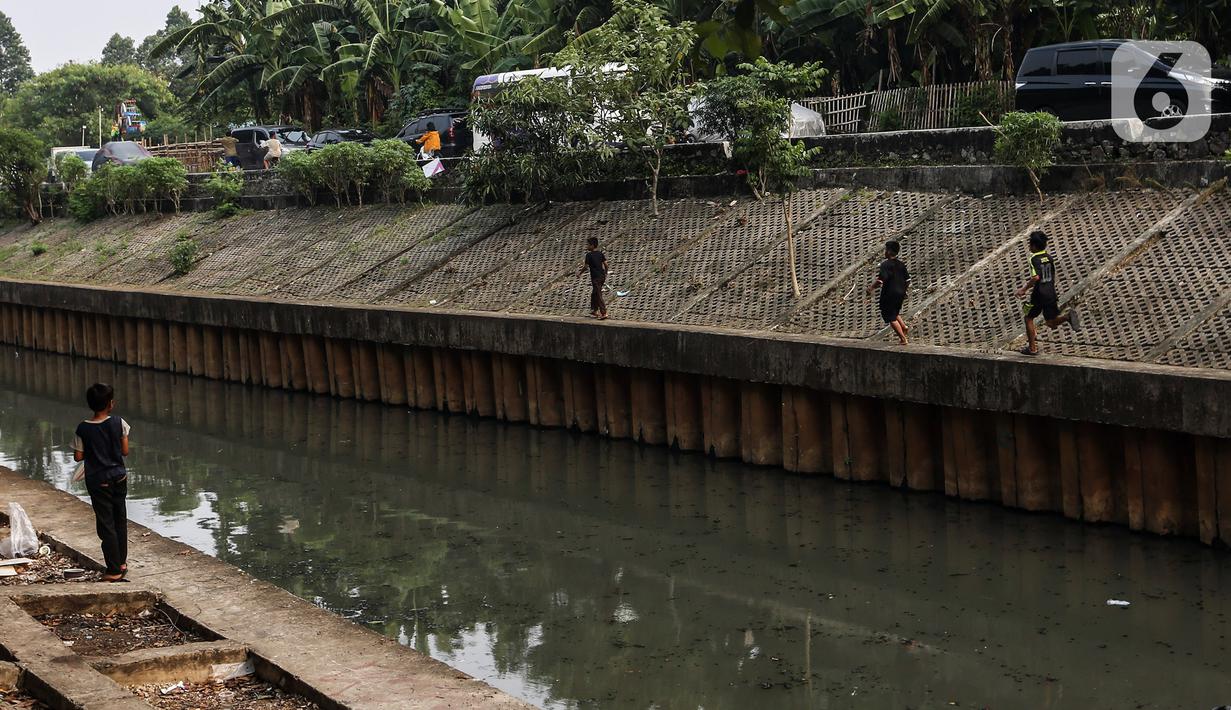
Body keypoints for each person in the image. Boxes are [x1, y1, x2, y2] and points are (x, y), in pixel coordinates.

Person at [72, 383, 131, 583]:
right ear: (110, 404)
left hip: (99, 480)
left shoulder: (83, 428)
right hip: (119, 476)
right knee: (120, 519)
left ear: (90, 404)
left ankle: (114, 570)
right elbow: (124, 451)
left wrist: (93, 449)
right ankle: (122, 563)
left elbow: (78, 456)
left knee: (106, 524)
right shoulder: (119, 422)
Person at [1015, 230, 1082, 355]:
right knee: (1051, 322)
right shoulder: (1049, 258)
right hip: (1050, 292)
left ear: (1034, 246)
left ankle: (1032, 348)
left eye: (1029, 244)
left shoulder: (1033, 259)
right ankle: (1067, 317)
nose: (1029, 246)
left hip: (1039, 293)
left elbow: (1036, 278)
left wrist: (1023, 289)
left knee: (1028, 318)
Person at [866, 240, 910, 345]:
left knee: (889, 316)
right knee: (894, 312)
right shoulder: (901, 264)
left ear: (889, 252)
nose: (885, 252)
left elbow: (881, 280)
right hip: (900, 292)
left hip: (890, 293)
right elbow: (908, 280)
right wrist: (904, 291)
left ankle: (903, 339)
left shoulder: (885, 265)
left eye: (886, 250)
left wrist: (870, 288)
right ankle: (904, 326)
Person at [577, 236, 608, 320]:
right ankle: (594, 310)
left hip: (595, 277)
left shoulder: (589, 255)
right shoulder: (600, 254)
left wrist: (579, 273)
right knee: (594, 293)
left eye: (588, 245)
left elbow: (586, 266)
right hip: (602, 276)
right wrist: (605, 272)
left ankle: (603, 313)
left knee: (598, 294)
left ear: (593, 245)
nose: (587, 246)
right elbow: (606, 265)